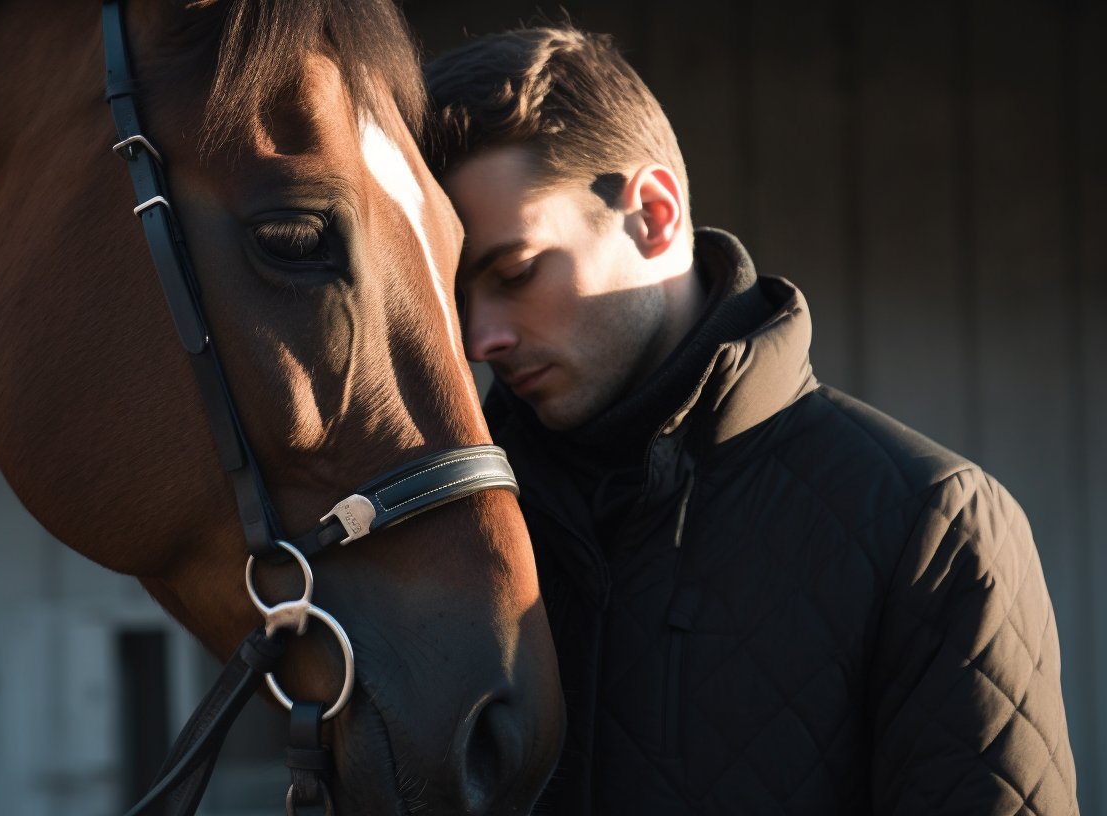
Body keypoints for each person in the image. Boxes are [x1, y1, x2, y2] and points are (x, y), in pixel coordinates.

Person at [424, 25, 1078, 815]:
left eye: (517, 271)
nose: (477, 339)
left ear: (654, 215)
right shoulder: (448, 530)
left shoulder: (933, 529)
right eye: (455, 296)